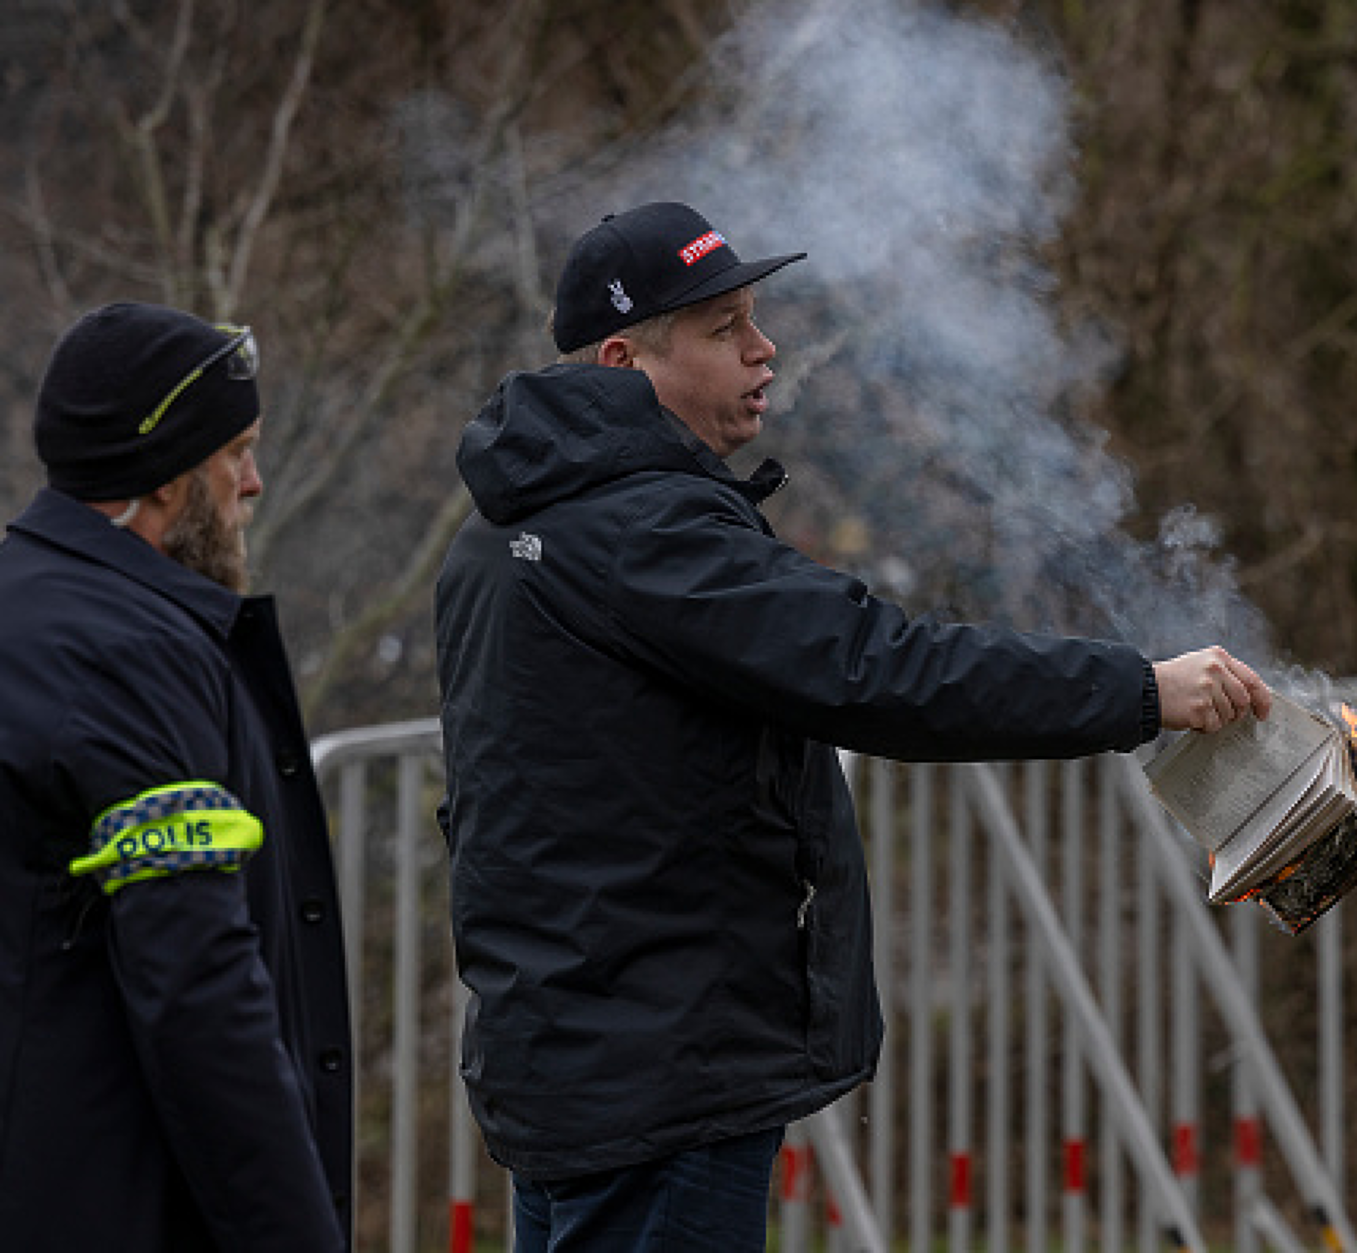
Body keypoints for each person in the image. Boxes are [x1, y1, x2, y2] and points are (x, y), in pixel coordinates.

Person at [433, 201, 1271, 1253]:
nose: (761, 344)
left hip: (572, 1053)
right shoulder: (645, 530)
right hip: (660, 1066)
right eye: (722, 325)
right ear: (619, 359)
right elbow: (883, 671)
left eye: (754, 315)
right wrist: (1141, 691)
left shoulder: (508, 524)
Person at [0, 303, 353, 1251]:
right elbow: (197, 985)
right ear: (166, 478)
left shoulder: (25, 601)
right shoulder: (125, 655)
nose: (254, 482)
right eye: (235, 452)